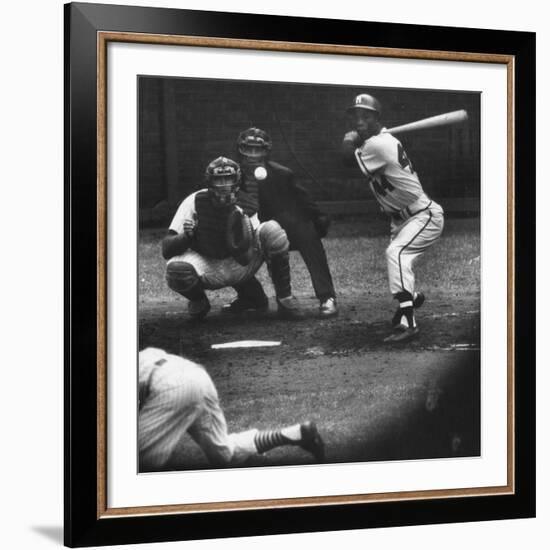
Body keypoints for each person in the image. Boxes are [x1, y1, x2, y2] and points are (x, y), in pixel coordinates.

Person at [341, 94, 444, 342]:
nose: (359, 121)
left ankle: (409, 324)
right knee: (398, 260)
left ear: (377, 118)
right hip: (400, 219)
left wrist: (348, 140)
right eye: (356, 117)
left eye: (365, 116)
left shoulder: (378, 145)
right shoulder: (378, 141)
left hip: (423, 215)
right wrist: (358, 139)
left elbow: (345, 159)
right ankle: (411, 299)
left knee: (396, 254)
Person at [161, 156, 304, 320]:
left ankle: (284, 299)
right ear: (209, 182)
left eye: (228, 179)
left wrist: (235, 233)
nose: (224, 186)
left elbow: (244, 258)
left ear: (237, 180)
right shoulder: (193, 201)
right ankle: (199, 300)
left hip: (239, 263)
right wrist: (187, 237)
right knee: (177, 272)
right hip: (207, 262)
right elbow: (166, 249)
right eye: (219, 180)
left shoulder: (246, 204)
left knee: (273, 231)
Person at [139, 347, 325, 470]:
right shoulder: (143, 354)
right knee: (224, 455)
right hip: (197, 375)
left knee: (136, 464)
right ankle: (294, 434)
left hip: (171, 386)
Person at [222, 127, 338, 318]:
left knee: (306, 231)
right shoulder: (228, 175)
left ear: (266, 151)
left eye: (257, 149)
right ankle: (252, 298)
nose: (252, 155)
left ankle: (327, 297)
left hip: (277, 232)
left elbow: (306, 204)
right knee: (223, 237)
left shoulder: (282, 174)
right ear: (239, 150)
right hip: (245, 233)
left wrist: (318, 224)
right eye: (247, 149)